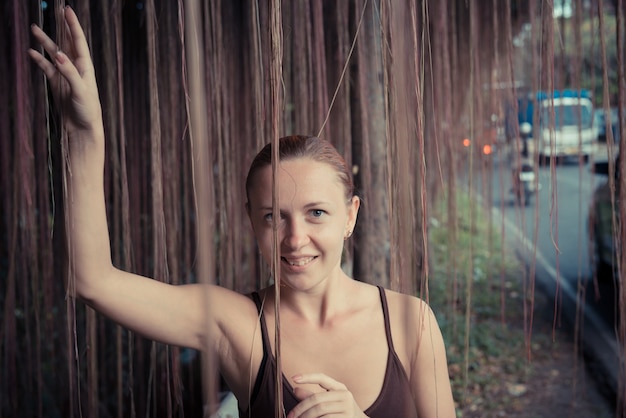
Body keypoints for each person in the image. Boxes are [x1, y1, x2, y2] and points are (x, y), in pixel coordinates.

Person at [29, 7, 456, 418]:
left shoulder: (410, 323)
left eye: (317, 213)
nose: (294, 238)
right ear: (251, 220)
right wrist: (84, 137)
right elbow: (92, 282)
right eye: (273, 216)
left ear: (350, 216)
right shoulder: (238, 325)